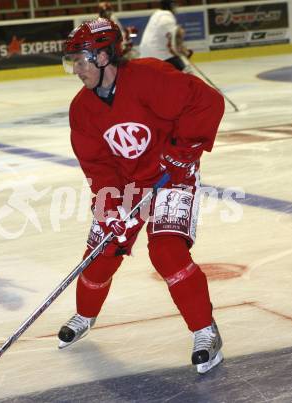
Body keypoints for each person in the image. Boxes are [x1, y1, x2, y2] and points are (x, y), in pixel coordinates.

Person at [59, 17, 225, 374]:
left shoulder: (152, 77)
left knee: (166, 251)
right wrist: (110, 204)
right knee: (102, 249)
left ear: (103, 57)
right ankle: (84, 316)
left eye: (80, 60)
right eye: (72, 61)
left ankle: (205, 332)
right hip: (127, 182)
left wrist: (182, 151)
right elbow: (97, 164)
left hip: (174, 176)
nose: (75, 69)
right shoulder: (82, 109)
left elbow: (208, 103)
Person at [139, 0, 193, 71]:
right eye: (175, 5)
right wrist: (184, 51)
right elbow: (177, 36)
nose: (176, 7)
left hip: (145, 53)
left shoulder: (156, 14)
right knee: (185, 73)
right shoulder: (167, 18)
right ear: (171, 5)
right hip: (159, 54)